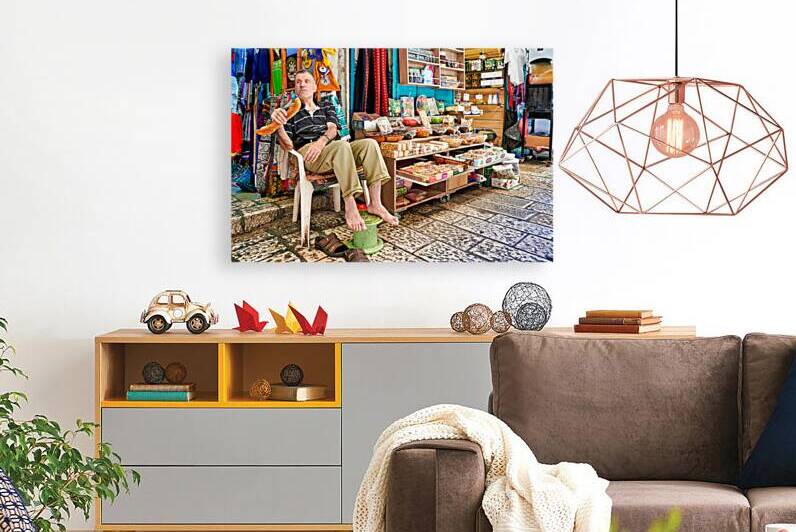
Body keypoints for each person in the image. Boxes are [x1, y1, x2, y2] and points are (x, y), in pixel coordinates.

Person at [270, 70, 398, 231]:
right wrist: (279, 126)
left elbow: (332, 130)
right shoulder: (289, 112)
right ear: (295, 88)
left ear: (315, 86)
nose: (302, 84)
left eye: (306, 81)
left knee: (370, 144)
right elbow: (288, 146)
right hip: (308, 154)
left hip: (330, 146)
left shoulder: (326, 105)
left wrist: (320, 142)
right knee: (341, 146)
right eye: (298, 82)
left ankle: (376, 204)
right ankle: (350, 206)